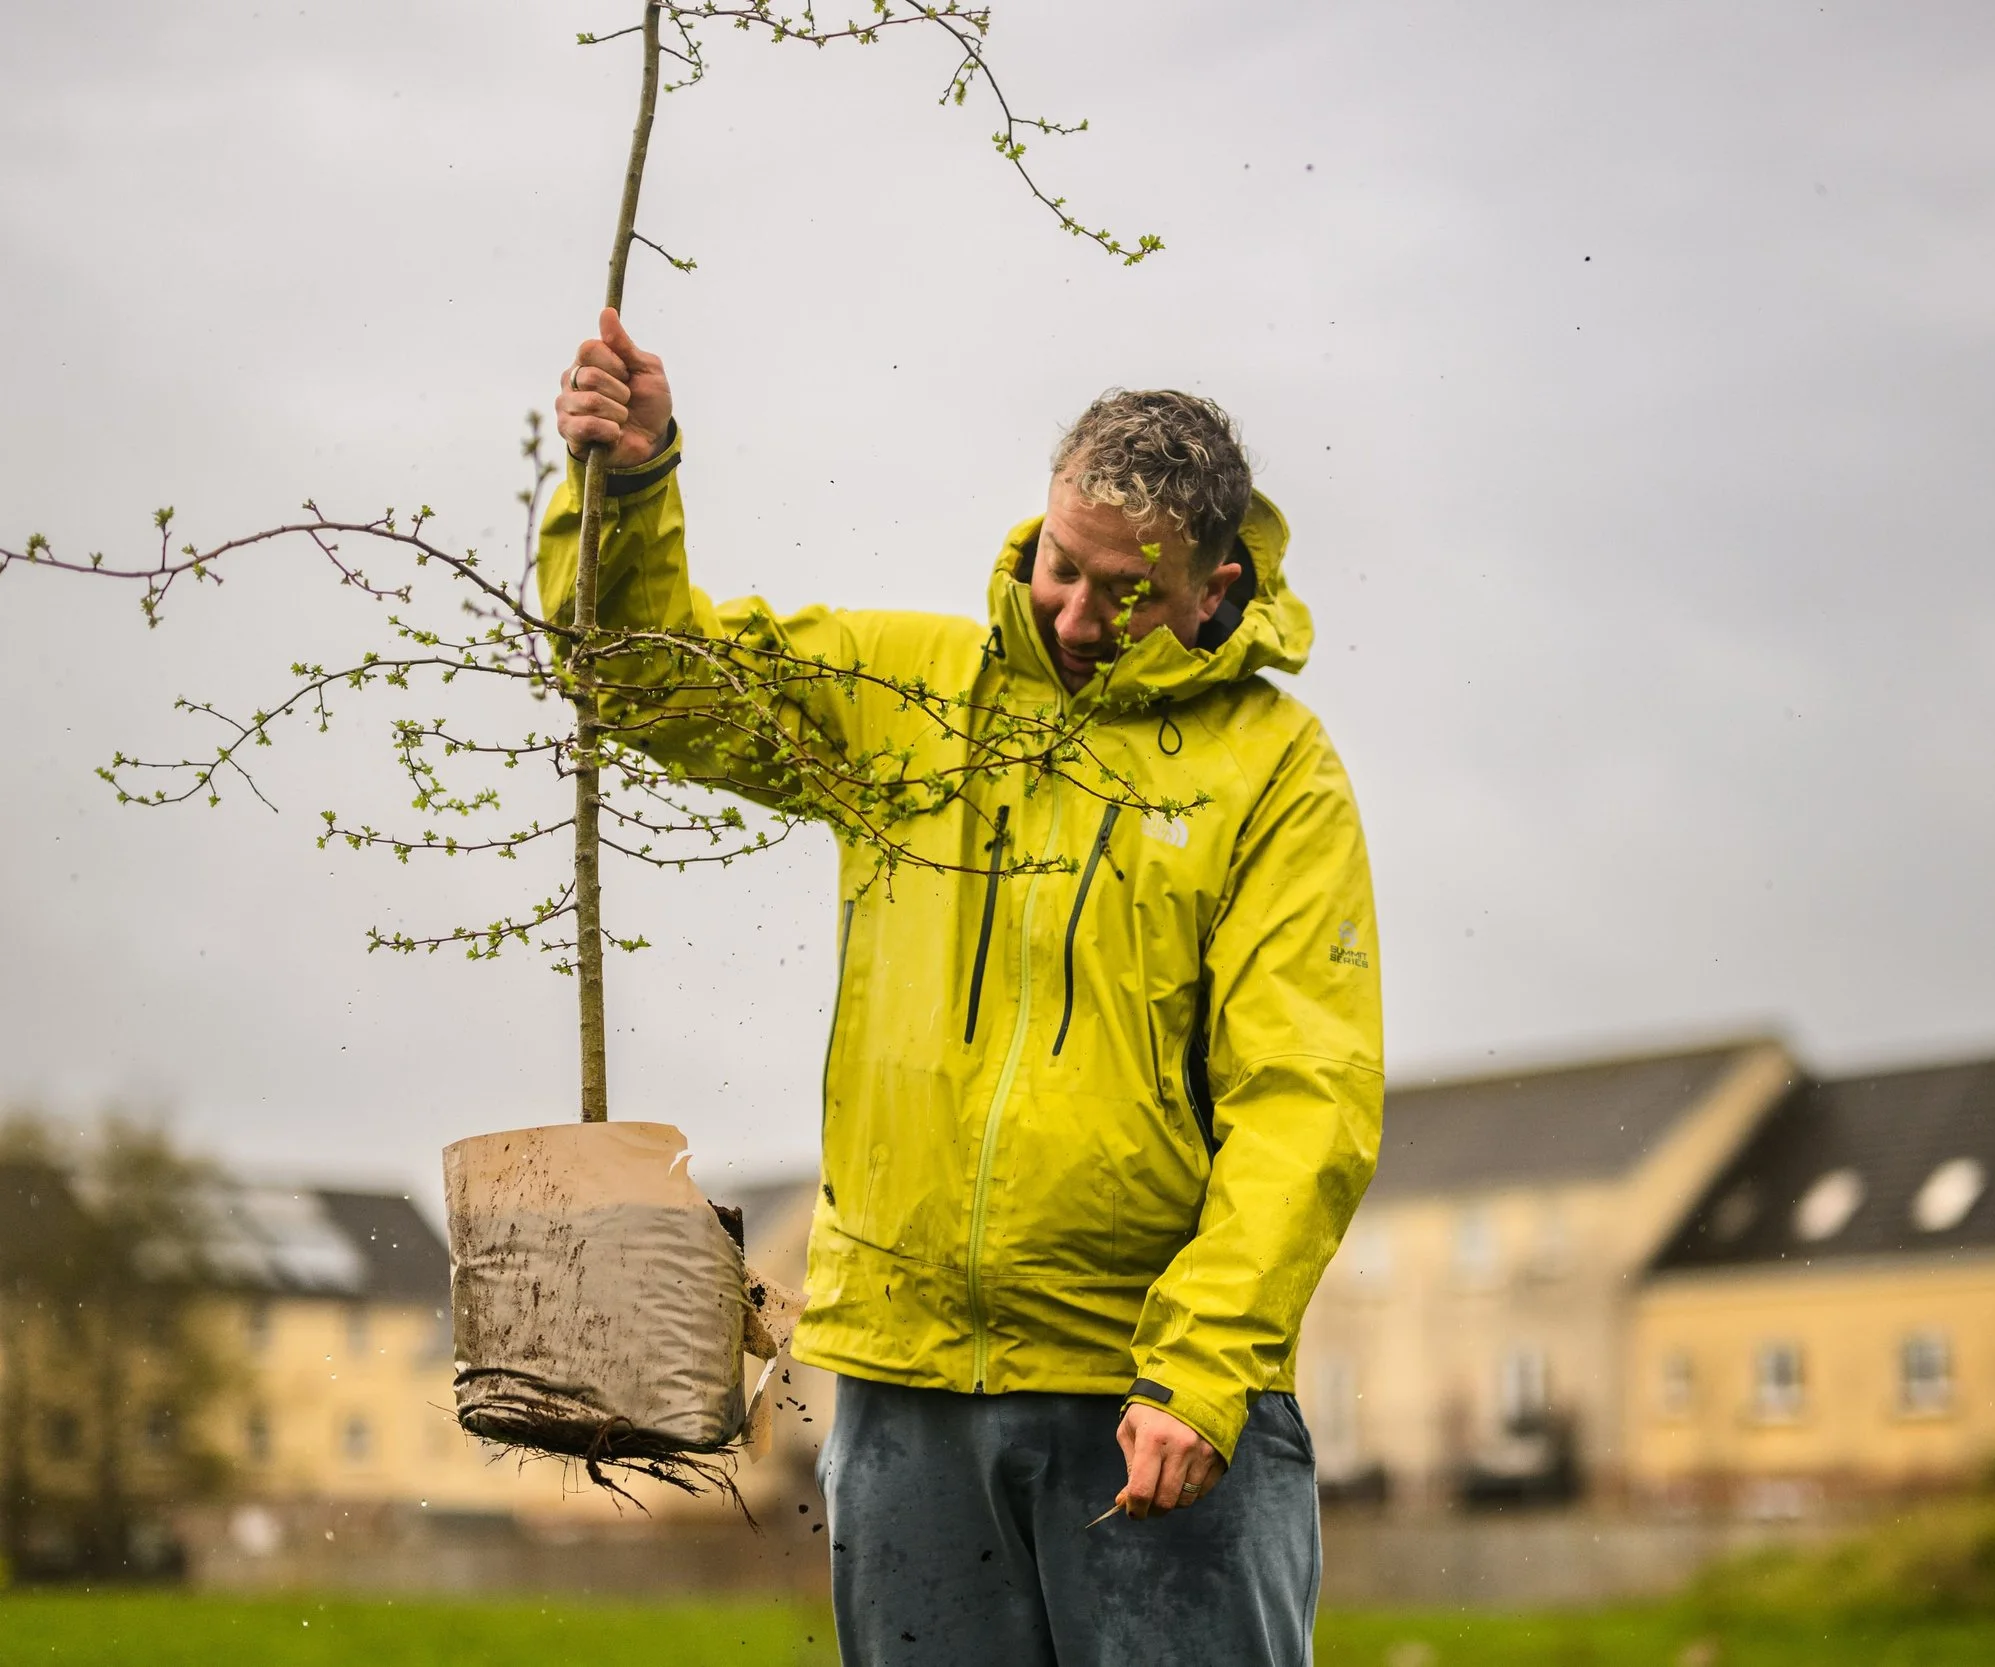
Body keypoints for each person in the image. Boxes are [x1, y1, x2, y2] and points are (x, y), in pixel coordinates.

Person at [545, 308, 1383, 1666]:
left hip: (1149, 1400)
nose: (1072, 613)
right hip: (904, 1383)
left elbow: (1307, 1098)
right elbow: (642, 678)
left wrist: (1207, 1362)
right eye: (1062, 565)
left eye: (1123, 593)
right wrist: (631, 483)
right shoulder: (914, 697)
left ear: (1216, 584)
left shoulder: (1275, 771)